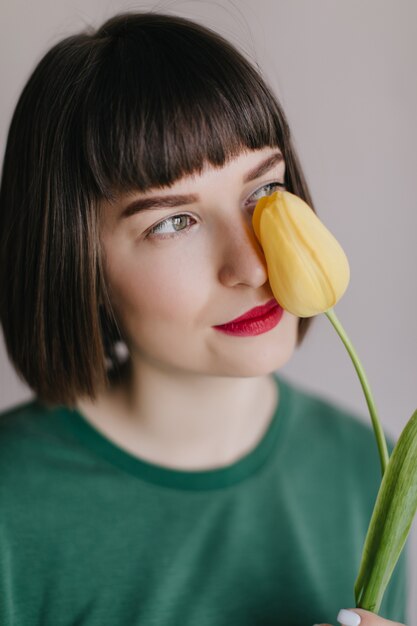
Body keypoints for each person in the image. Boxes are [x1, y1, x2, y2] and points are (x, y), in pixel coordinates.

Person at [0, 11, 408, 626]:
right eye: (172, 221)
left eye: (264, 191)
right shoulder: (11, 507)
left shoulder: (372, 473)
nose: (250, 265)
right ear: (74, 258)